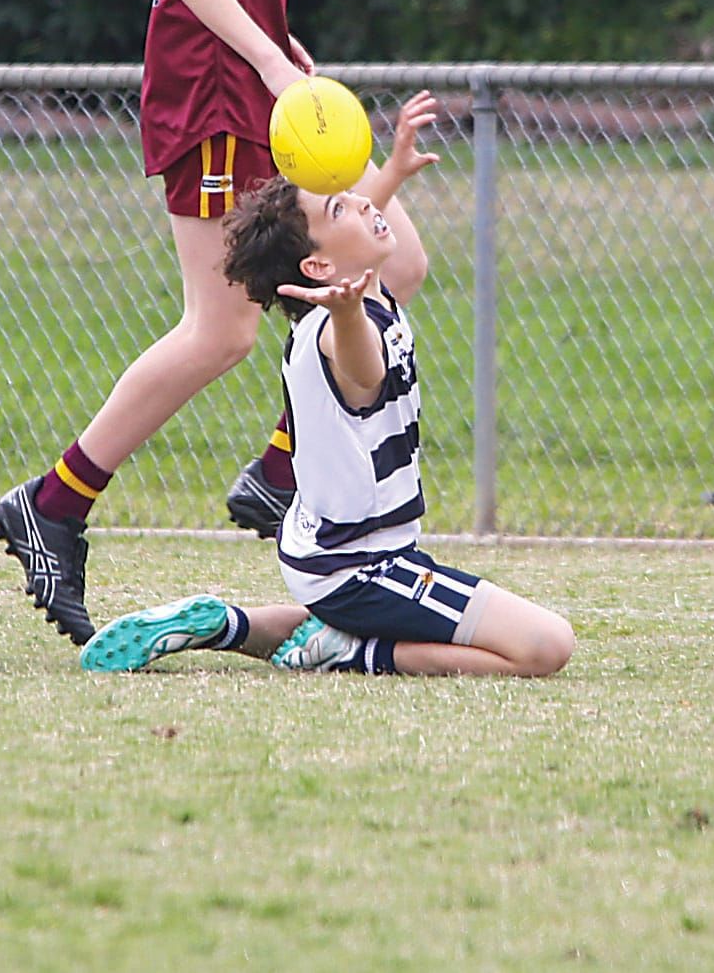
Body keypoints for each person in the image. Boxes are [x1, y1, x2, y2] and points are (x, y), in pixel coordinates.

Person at [0, 0, 427, 647]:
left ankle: (279, 469)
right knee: (220, 329)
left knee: (394, 261)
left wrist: (268, 38)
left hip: (251, 80)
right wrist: (263, 55)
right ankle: (54, 503)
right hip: (218, 92)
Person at [80, 93, 575, 678]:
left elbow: (345, 243)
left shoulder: (357, 289)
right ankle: (347, 650)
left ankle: (231, 624)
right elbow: (364, 372)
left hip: (336, 559)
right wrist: (346, 314)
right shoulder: (338, 329)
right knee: (546, 645)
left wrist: (391, 174)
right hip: (359, 568)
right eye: (342, 208)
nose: (363, 204)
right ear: (317, 270)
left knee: (425, 618)